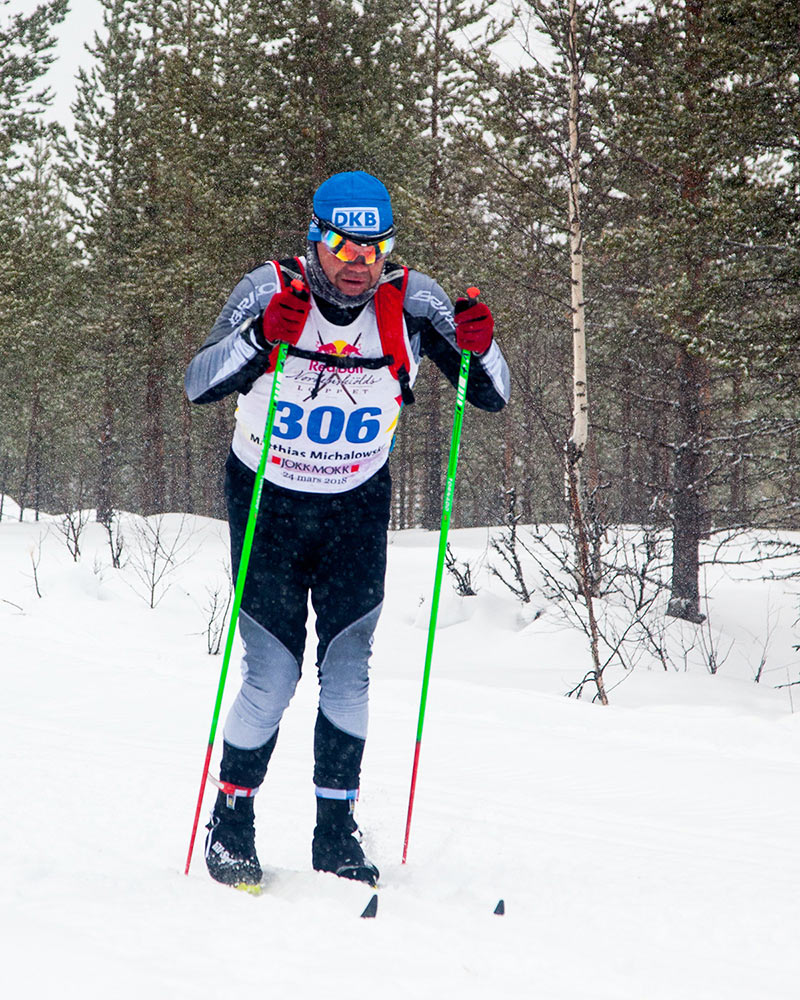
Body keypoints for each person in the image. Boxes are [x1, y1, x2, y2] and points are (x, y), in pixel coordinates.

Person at [185, 170, 510, 888]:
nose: (361, 262)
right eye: (345, 246)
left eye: (375, 248)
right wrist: (253, 340)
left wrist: (481, 348)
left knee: (349, 662)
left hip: (355, 504)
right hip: (267, 499)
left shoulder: (414, 301)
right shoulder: (271, 290)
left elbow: (492, 395)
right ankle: (231, 822)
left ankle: (335, 832)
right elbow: (198, 381)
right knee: (273, 671)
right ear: (315, 239)